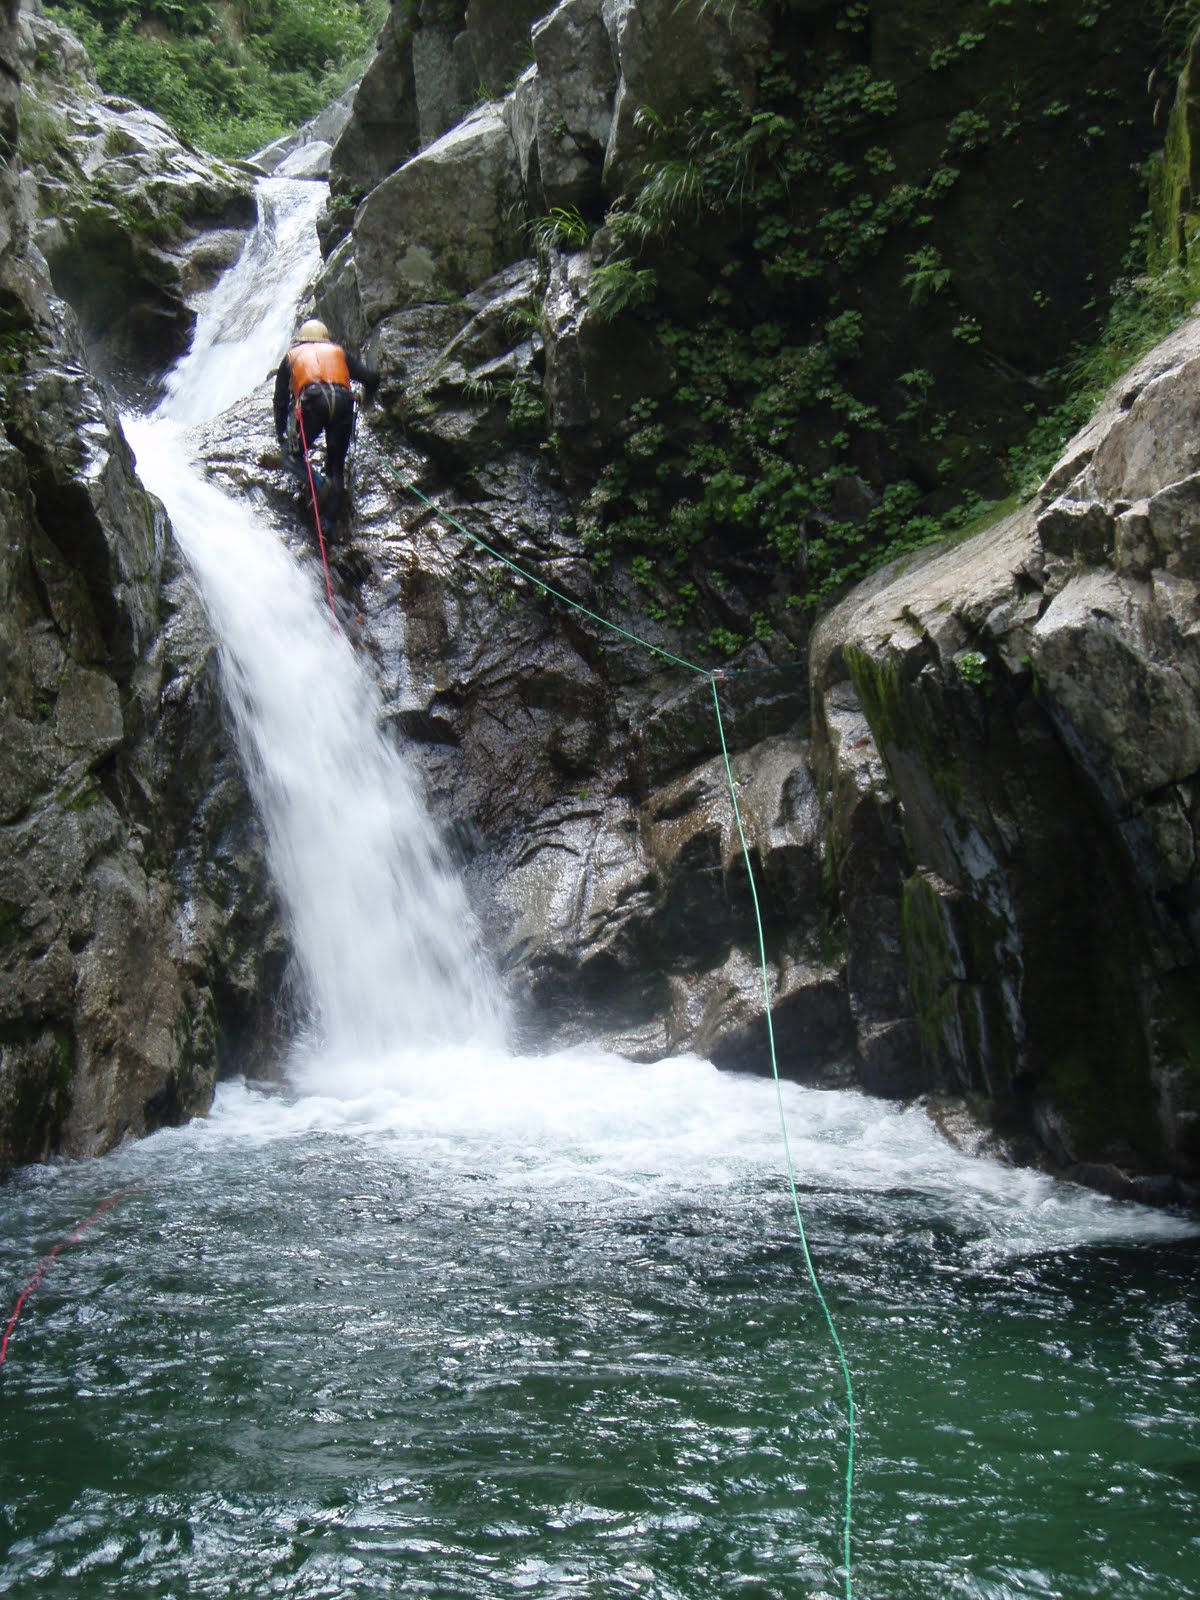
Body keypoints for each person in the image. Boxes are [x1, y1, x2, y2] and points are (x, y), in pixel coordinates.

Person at [273, 319, 379, 523]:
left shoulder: (292, 356)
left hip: (313, 403)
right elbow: (369, 378)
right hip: (343, 403)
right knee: (336, 468)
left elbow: (280, 400)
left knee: (289, 456)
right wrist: (369, 392)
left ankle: (319, 484)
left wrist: (281, 434)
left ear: (301, 340)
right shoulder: (339, 352)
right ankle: (328, 524)